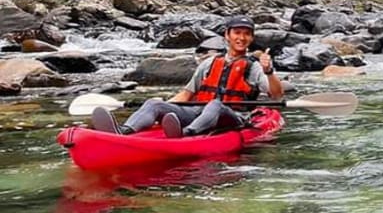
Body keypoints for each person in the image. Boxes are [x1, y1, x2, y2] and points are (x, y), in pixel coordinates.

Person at [91, 15, 283, 138]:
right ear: (227, 35)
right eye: (237, 33)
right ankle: (123, 132)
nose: (241, 38)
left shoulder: (254, 67)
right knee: (154, 103)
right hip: (198, 113)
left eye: (247, 34)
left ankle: (185, 134)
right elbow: (186, 94)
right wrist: (165, 108)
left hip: (234, 118)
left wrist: (269, 71)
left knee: (215, 105)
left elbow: (276, 95)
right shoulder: (209, 63)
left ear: (251, 38)